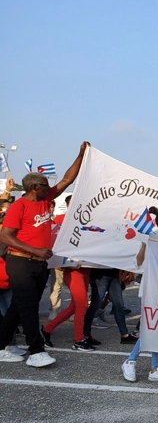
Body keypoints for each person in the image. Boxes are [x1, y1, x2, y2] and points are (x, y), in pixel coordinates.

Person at [0, 141, 88, 366]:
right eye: (45, 184)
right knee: (29, 307)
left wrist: (80, 155)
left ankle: (1, 347)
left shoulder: (45, 199)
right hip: (20, 263)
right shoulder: (18, 207)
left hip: (40, 264)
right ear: (34, 187)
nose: (50, 187)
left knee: (18, 307)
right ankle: (36, 351)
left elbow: (68, 179)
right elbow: (6, 236)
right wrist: (35, 249)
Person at [121, 207, 158, 384]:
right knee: (151, 326)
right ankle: (130, 360)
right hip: (153, 289)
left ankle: (155, 367)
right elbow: (138, 263)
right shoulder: (152, 238)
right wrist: (145, 244)